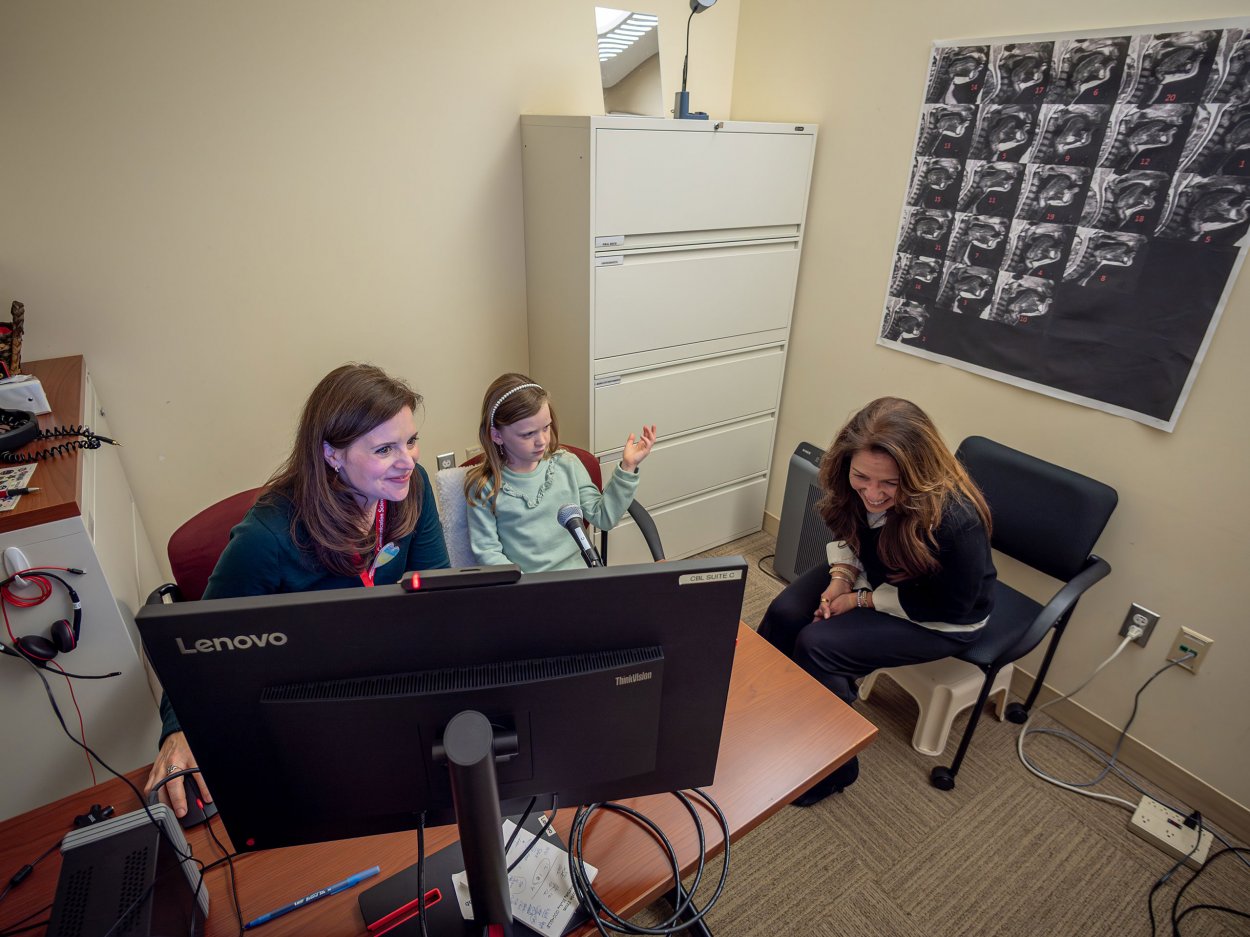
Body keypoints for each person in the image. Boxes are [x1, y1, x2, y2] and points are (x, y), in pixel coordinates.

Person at [143, 363, 449, 818]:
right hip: (310, 705)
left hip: (390, 684)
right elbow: (196, 644)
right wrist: (179, 728)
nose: (407, 461)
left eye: (410, 441)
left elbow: (437, 598)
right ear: (332, 454)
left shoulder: (411, 488)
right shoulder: (267, 536)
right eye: (385, 448)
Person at [759, 397, 995, 805]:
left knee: (818, 648)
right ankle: (774, 715)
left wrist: (861, 601)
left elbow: (952, 606)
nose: (872, 493)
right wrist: (841, 578)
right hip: (876, 573)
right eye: (862, 477)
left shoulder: (957, 520)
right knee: (783, 614)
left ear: (918, 474)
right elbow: (848, 532)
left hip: (938, 615)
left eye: (889, 483)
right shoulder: (851, 480)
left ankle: (835, 768)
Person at [465, 373, 656, 572]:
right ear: (496, 435)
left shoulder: (567, 464)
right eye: (528, 434)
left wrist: (627, 467)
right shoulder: (483, 487)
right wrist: (522, 586)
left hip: (576, 578)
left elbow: (604, 517)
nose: (541, 440)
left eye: (545, 428)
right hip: (525, 587)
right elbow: (487, 552)